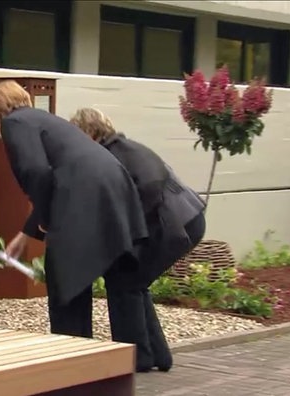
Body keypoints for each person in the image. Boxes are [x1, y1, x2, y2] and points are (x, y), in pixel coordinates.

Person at [0, 80, 150, 340]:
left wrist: (48, 219)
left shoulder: (14, 122)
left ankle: (71, 354)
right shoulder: (45, 120)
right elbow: (57, 178)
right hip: (113, 187)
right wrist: (27, 234)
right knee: (119, 277)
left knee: (65, 282)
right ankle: (138, 356)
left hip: (83, 195)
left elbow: (36, 172)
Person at [70, 107, 207, 373]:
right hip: (184, 221)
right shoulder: (119, 149)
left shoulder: (119, 153)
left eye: (77, 135)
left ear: (90, 132)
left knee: (124, 281)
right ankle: (157, 356)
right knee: (133, 282)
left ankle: (137, 358)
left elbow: (150, 186)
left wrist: (127, 233)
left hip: (177, 225)